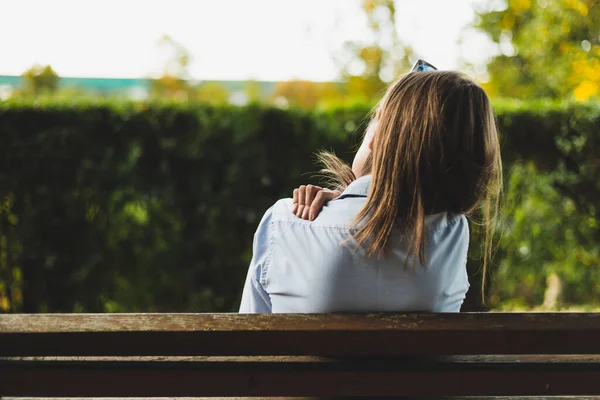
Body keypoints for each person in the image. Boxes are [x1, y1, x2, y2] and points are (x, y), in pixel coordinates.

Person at [239, 62, 502, 313]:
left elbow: (249, 339)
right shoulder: (452, 234)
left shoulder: (285, 223)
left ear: (378, 136)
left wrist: (343, 201)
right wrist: (350, 198)